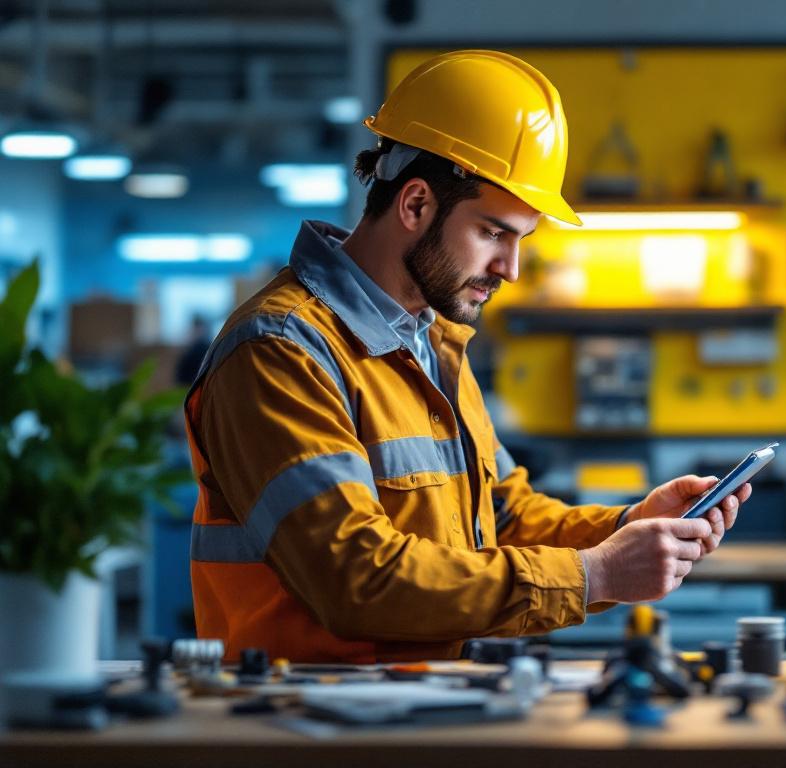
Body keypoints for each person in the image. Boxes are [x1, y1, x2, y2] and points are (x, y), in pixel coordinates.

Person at [184, 50, 751, 662]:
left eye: (520, 239)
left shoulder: (430, 341)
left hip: (416, 706)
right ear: (416, 204)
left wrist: (628, 529)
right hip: (305, 725)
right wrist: (597, 575)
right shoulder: (281, 350)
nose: (510, 268)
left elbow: (503, 517)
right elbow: (356, 580)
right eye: (493, 233)